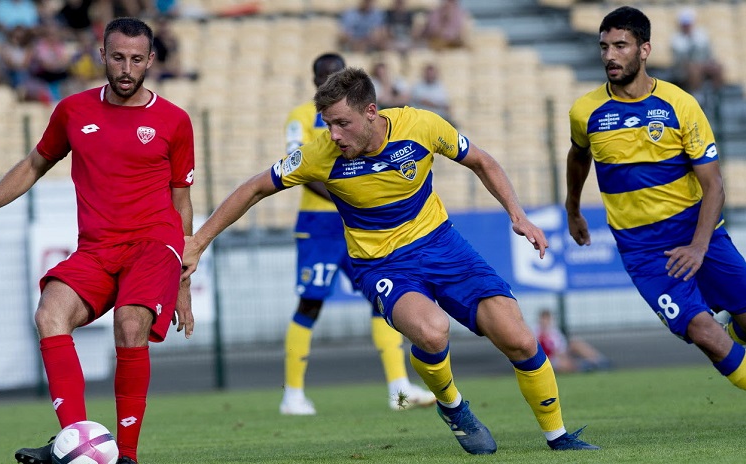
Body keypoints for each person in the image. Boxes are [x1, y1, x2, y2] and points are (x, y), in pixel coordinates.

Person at [181, 67, 598, 454]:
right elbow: (254, 188)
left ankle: (558, 438)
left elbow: (482, 161)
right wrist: (199, 241)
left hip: (443, 246)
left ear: (371, 112)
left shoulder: (421, 125)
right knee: (433, 332)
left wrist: (518, 215)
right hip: (382, 265)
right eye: (327, 123)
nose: (334, 134)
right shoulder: (320, 154)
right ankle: (453, 406)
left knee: (521, 339)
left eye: (342, 123)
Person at [0, 17, 195, 464]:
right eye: (118, 58)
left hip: (154, 242)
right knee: (49, 313)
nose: (126, 68)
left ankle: (125, 457)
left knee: (130, 324)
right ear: (102, 56)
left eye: (136, 59)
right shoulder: (73, 111)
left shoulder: (174, 121)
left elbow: (182, 201)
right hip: (96, 247)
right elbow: (34, 164)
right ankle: (78, 442)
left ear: (151, 60)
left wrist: (183, 283)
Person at [566, 6, 746, 400]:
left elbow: (714, 185)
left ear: (644, 49)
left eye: (620, 45)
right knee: (703, 332)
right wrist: (572, 208)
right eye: (604, 47)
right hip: (645, 250)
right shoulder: (586, 112)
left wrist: (699, 246)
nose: (610, 56)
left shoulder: (680, 105)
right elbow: (579, 156)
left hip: (700, 234)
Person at [280, 53, 435, 416]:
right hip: (320, 225)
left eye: (335, 76)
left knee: (384, 299)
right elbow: (301, 172)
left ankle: (399, 389)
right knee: (310, 303)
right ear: (313, 80)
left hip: (360, 224)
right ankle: (293, 394)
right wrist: (345, 195)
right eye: (323, 77)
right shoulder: (301, 119)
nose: (328, 82)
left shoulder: (361, 121)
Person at [534, 309, 610, 374]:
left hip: (561, 354)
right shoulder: (535, 332)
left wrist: (562, 354)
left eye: (547, 319)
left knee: (576, 343)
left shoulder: (554, 331)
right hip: (549, 359)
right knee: (563, 364)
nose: (545, 321)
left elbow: (562, 346)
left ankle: (599, 361)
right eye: (544, 319)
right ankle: (585, 366)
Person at [669, 7, 723, 98]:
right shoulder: (676, 39)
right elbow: (680, 60)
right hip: (684, 68)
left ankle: (718, 94)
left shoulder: (701, 35)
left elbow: (708, 53)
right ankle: (697, 94)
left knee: (718, 68)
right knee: (694, 69)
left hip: (703, 64)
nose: (687, 26)